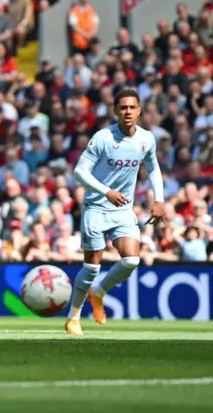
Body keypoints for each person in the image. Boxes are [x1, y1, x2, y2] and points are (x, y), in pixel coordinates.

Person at [65, 89, 165, 335]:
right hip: (96, 207)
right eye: (123, 108)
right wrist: (106, 190)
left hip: (122, 208)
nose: (128, 112)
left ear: (139, 110)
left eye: (132, 107)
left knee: (131, 260)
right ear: (115, 111)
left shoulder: (146, 139)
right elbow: (80, 172)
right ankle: (73, 317)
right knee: (91, 268)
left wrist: (159, 199)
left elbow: (153, 168)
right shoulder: (103, 138)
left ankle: (98, 292)